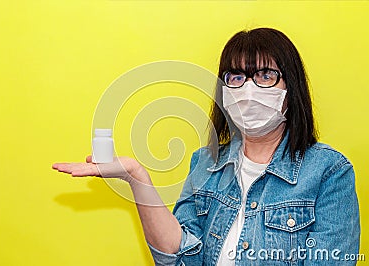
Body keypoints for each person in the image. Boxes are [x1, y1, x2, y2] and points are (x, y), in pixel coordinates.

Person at [52, 28, 360, 265]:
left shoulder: (328, 171)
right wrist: (136, 177)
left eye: (265, 75)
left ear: (290, 86)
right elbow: (178, 256)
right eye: (236, 77)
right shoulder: (205, 163)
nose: (249, 88)